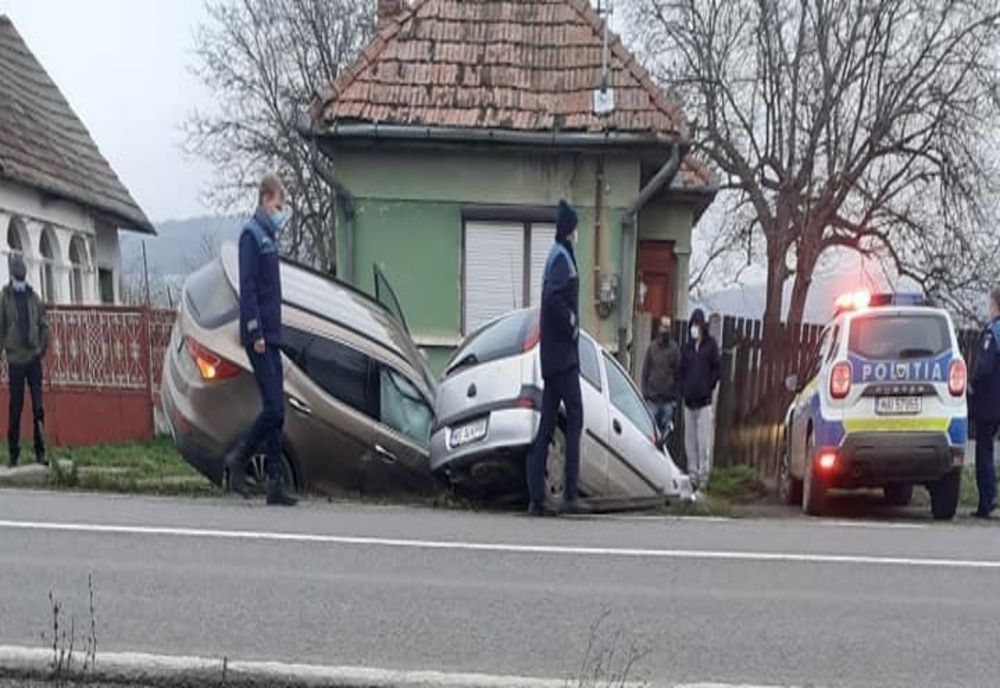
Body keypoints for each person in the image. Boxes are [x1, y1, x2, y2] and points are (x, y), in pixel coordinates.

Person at [225, 173, 297, 506]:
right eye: (279, 205)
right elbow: (249, 286)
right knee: (273, 408)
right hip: (260, 335)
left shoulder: (269, 237)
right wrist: (254, 331)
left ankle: (274, 482)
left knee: (277, 410)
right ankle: (239, 458)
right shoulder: (251, 236)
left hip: (273, 333)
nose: (280, 212)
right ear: (266, 199)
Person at [527, 200, 584, 516]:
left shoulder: (555, 256)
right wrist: (572, 323)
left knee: (548, 424)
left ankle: (536, 497)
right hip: (563, 358)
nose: (578, 233)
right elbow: (553, 299)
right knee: (575, 416)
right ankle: (571, 496)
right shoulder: (562, 260)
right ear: (569, 230)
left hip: (551, 357)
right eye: (576, 228)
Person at [0, 256, 48, 468]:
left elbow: (44, 326)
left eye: (22, 272)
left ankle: (40, 451)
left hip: (33, 360)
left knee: (38, 407)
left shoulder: (34, 298)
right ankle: (13, 454)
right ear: (12, 274)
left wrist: (40, 349)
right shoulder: (5, 297)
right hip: (15, 360)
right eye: (17, 272)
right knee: (16, 407)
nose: (20, 275)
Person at [678, 308, 721, 492]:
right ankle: (693, 475)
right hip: (689, 402)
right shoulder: (687, 348)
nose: (694, 329)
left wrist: (708, 387)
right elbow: (681, 371)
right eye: (692, 325)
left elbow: (717, 370)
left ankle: (704, 476)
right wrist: (683, 389)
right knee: (690, 443)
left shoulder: (710, 346)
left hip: (704, 403)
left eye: (696, 325)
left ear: (701, 326)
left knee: (703, 443)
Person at [970, 285, 1000, 519]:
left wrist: (972, 383)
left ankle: (986, 501)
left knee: (984, 452)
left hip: (990, 402)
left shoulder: (992, 333)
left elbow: (985, 366)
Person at [642, 315, 680, 437]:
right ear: (659, 328)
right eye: (664, 326)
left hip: (667, 402)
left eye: (668, 327)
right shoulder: (652, 348)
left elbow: (679, 373)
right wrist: (645, 393)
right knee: (650, 434)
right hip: (652, 400)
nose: (666, 330)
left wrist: (675, 398)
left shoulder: (674, 349)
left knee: (665, 437)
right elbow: (645, 371)